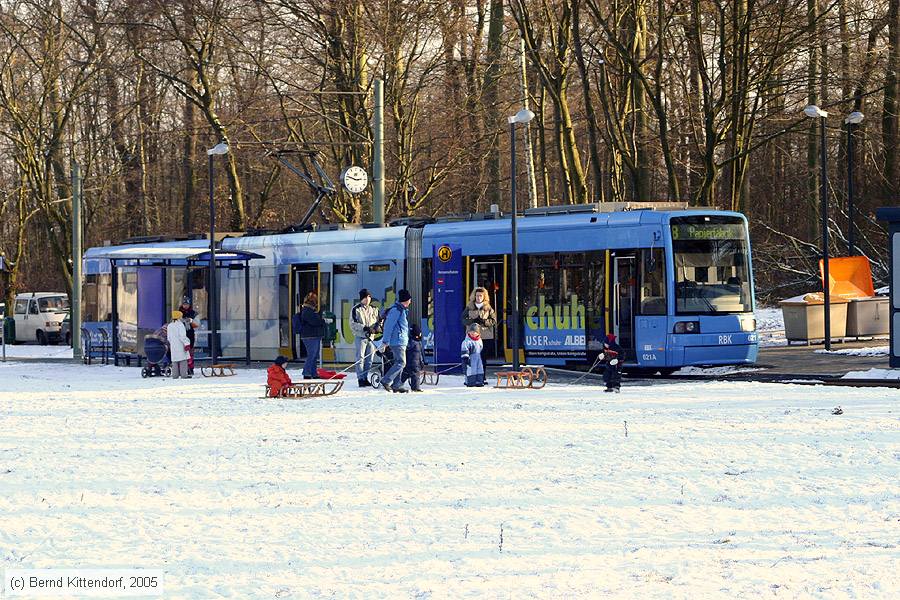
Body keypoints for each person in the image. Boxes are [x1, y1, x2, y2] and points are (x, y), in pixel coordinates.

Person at [379, 289, 412, 393]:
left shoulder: (401, 310)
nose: (410, 302)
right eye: (409, 299)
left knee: (399, 362)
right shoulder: (396, 310)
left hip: (401, 340)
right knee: (401, 362)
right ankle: (386, 380)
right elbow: (389, 326)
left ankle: (397, 385)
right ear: (406, 300)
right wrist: (385, 341)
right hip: (397, 341)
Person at [350, 289, 380, 387]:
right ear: (361, 299)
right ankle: (360, 379)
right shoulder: (356, 309)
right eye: (365, 297)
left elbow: (379, 321)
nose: (367, 299)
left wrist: (376, 328)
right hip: (361, 337)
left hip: (371, 338)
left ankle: (365, 377)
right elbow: (353, 324)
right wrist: (365, 328)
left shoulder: (374, 309)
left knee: (369, 359)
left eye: (369, 297)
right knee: (360, 358)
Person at [461, 287, 497, 359]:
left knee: (483, 357)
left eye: (481, 296)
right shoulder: (469, 307)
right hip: (472, 337)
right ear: (474, 296)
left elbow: (493, 320)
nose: (479, 297)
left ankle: (482, 369)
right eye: (477, 295)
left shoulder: (488, 308)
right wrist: (472, 321)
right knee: (472, 357)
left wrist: (484, 321)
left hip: (485, 336)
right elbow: (463, 319)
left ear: (484, 297)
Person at [299, 292, 326, 379]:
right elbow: (315, 322)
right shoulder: (307, 311)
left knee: (314, 355)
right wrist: (322, 321)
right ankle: (306, 372)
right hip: (310, 336)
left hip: (312, 336)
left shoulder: (307, 310)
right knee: (312, 355)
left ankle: (313, 373)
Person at [166, 309, 192, 379]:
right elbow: (182, 336)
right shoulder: (180, 325)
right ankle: (184, 375)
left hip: (173, 346)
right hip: (181, 345)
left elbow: (169, 338)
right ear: (178, 317)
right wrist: (187, 344)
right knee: (183, 361)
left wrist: (172, 343)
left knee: (174, 361)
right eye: (181, 316)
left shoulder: (169, 326)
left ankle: (175, 375)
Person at [401, 323, 425, 392]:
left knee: (405, 373)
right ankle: (415, 388)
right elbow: (420, 354)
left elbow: (420, 354)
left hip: (410, 362)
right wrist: (421, 362)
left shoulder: (413, 342)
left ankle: (397, 383)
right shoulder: (415, 342)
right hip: (414, 363)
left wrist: (422, 362)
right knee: (415, 375)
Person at [178, 296, 199, 373]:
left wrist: (191, 321)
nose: (185, 305)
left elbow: (197, 324)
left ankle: (190, 368)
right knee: (180, 352)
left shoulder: (193, 313)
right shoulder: (178, 313)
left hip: (190, 335)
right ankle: (180, 368)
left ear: (189, 304)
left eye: (187, 304)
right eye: (184, 304)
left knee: (190, 353)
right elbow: (173, 323)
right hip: (179, 336)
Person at [461, 323, 485, 387]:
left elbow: (481, 347)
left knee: (479, 369)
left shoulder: (479, 340)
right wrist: (466, 357)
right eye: (471, 332)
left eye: (474, 332)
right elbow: (464, 349)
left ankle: (479, 381)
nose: (473, 333)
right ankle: (470, 381)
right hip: (470, 357)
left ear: (478, 333)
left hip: (478, 357)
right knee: (471, 370)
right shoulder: (467, 341)